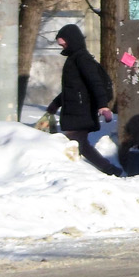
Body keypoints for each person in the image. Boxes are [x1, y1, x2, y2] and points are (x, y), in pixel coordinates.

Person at [47, 24, 122, 177]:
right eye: (61, 44)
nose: (62, 46)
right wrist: (56, 103)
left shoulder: (82, 59)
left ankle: (109, 170)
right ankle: (100, 171)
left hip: (82, 109)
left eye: (64, 43)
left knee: (78, 143)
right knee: (78, 143)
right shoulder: (74, 59)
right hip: (77, 108)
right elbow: (73, 88)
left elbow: (95, 83)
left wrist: (103, 106)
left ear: (72, 40)